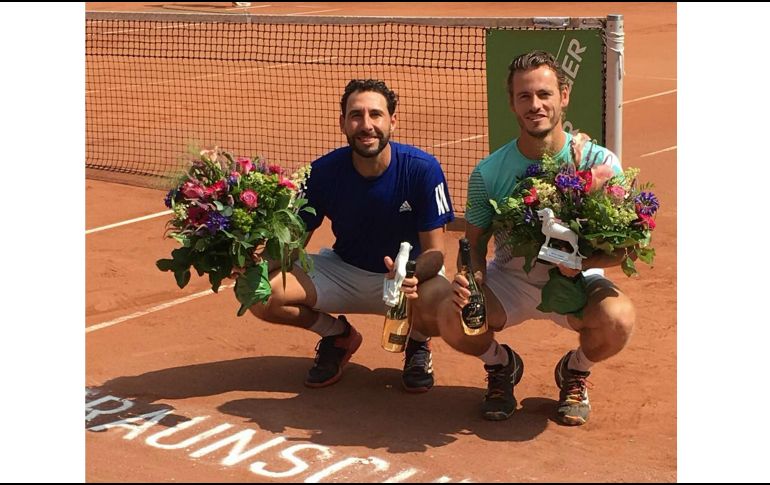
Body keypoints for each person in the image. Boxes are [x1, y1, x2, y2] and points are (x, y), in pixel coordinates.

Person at [420, 51, 635, 425]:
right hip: (511, 280)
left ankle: (575, 372)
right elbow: (472, 245)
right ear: (512, 103)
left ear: (563, 96)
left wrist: (581, 263)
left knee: (618, 319)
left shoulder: (599, 163)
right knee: (452, 315)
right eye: (525, 96)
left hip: (579, 280)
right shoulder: (488, 173)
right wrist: (472, 279)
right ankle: (501, 366)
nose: (535, 104)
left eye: (544, 94)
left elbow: (626, 248)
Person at [248, 79, 455, 392]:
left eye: (376, 115)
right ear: (342, 123)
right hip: (344, 272)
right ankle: (337, 335)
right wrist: (256, 266)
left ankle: (417, 342)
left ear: (392, 122)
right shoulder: (322, 173)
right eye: (356, 115)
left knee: (444, 305)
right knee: (261, 293)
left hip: (406, 281)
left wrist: (409, 272)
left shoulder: (422, 169)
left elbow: (436, 253)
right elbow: (293, 245)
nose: (366, 125)